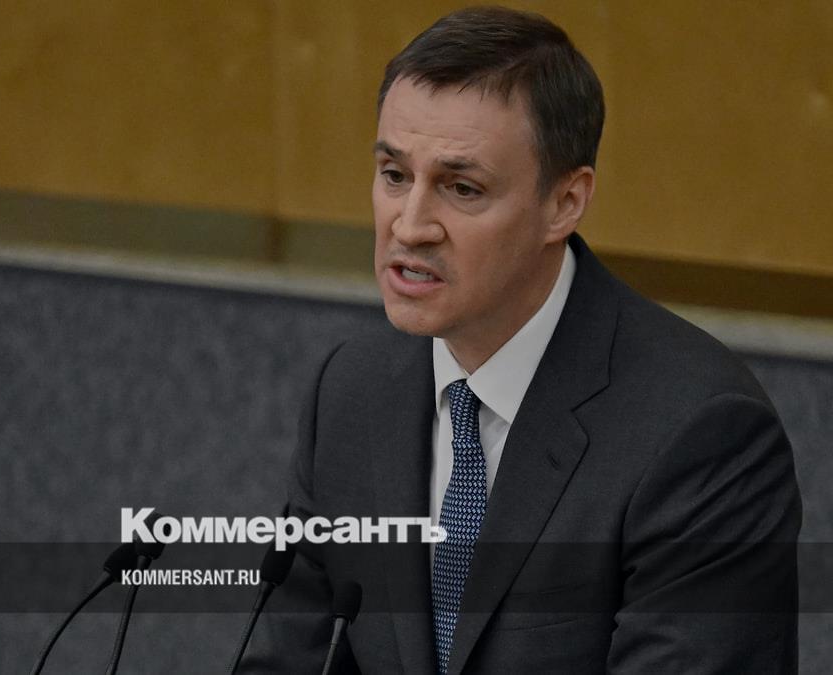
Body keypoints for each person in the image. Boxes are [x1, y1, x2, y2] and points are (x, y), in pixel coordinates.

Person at [243, 6, 800, 673]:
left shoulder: (699, 434)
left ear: (565, 203)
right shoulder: (351, 390)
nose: (410, 225)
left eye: (462, 187)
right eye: (394, 175)